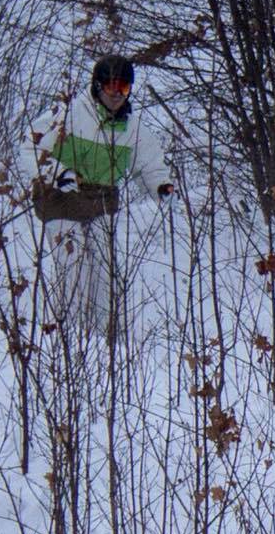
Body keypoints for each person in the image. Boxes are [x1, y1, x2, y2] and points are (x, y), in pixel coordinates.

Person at [28, 54, 175, 334]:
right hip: (61, 201)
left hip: (101, 204)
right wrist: (57, 174)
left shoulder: (131, 128)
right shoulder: (68, 114)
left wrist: (160, 186)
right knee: (73, 270)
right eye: (111, 87)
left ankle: (109, 337)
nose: (117, 95)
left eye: (124, 88)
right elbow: (31, 149)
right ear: (97, 87)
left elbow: (149, 164)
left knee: (107, 273)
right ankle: (69, 337)